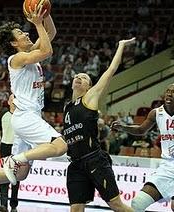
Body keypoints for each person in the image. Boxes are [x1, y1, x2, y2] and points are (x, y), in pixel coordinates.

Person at [0, 6, 68, 206]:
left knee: (20, 175)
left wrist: (45, 13)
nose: (26, 33)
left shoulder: (29, 54)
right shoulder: (16, 58)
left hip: (29, 117)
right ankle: (14, 158)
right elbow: (47, 50)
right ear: (13, 43)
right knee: (60, 146)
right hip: (25, 117)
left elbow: (51, 33)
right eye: (20, 33)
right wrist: (36, 23)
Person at [63, 37, 135, 212]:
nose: (79, 78)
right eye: (77, 76)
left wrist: (120, 46)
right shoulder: (67, 107)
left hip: (94, 159)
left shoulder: (90, 97)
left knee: (116, 204)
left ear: (90, 86)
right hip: (75, 164)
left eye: (84, 77)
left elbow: (111, 70)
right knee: (76, 209)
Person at [112, 83, 174, 212]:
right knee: (138, 203)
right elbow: (141, 130)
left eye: (173, 92)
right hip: (168, 167)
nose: (169, 93)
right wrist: (123, 127)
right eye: (168, 91)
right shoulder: (156, 113)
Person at [0, 101, 19, 212]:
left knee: (16, 178)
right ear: (8, 102)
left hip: (18, 148)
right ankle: (3, 205)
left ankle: (13, 205)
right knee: (4, 176)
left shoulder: (22, 114)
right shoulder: (3, 113)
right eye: (12, 99)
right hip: (5, 147)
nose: (14, 102)